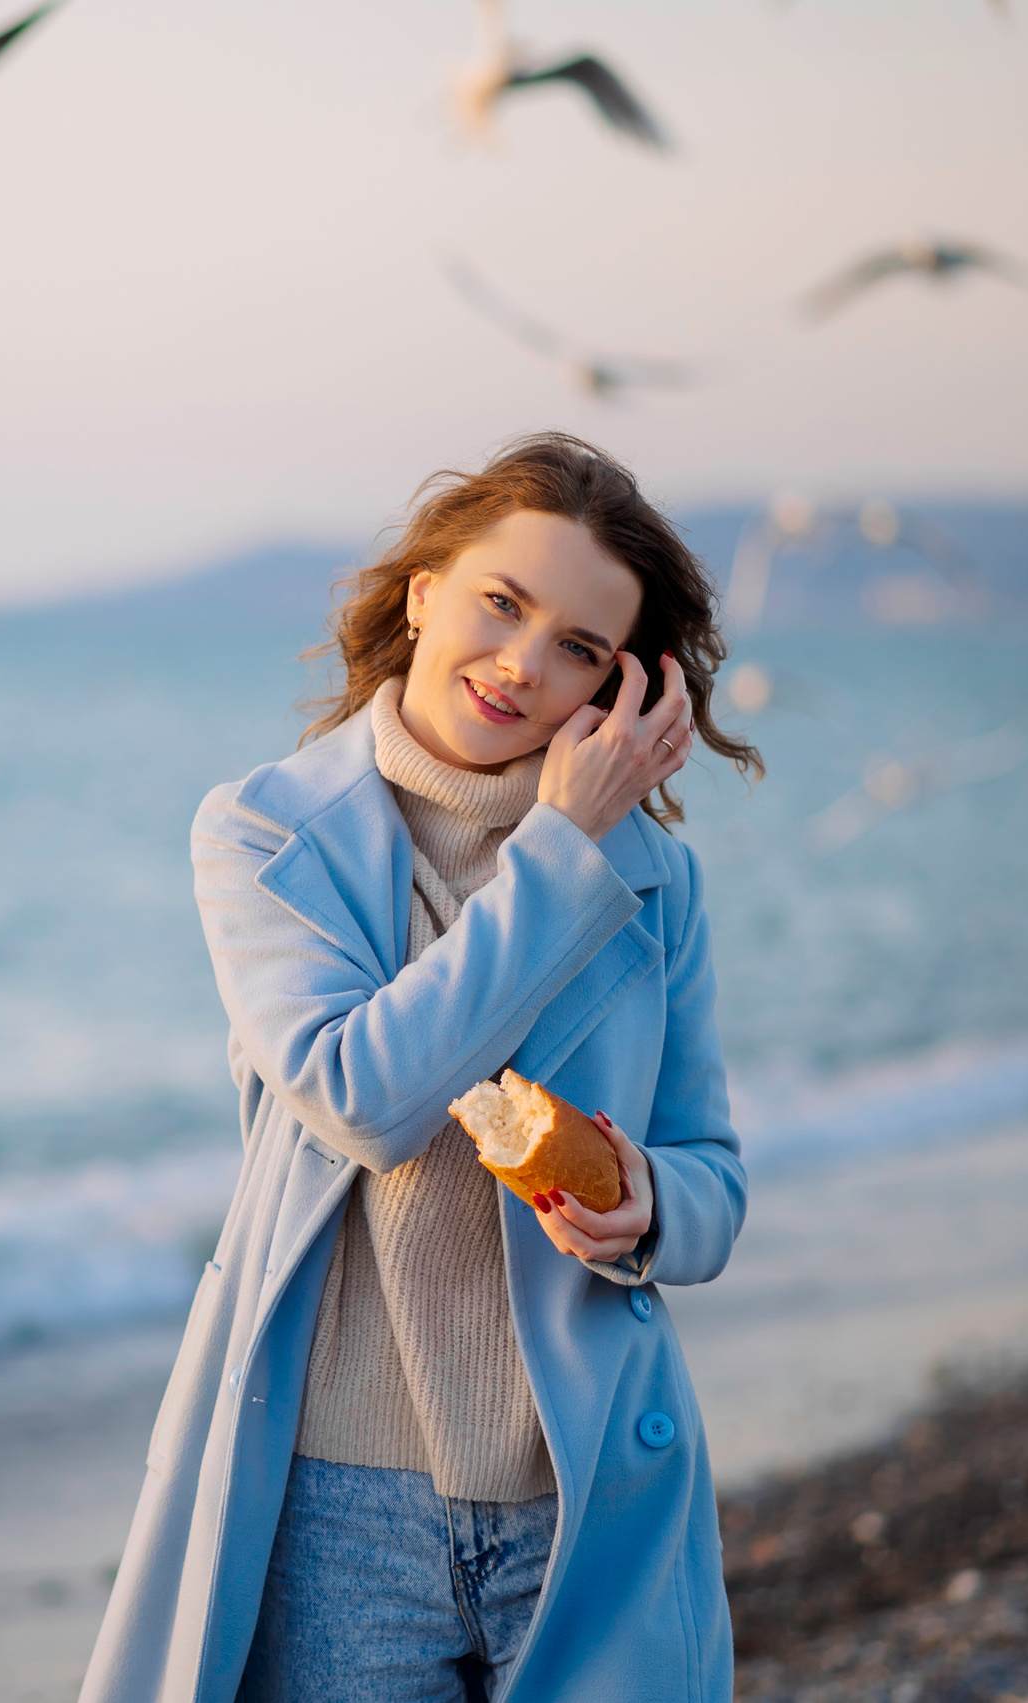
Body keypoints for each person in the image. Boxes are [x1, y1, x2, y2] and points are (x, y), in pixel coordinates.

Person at [80, 433, 761, 1703]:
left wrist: (647, 1204)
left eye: (578, 648)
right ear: (420, 595)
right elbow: (362, 1098)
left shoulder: (655, 880)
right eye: (501, 603)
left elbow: (712, 1181)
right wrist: (559, 848)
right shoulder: (269, 833)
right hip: (337, 1510)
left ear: (617, 692)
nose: (519, 663)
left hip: (580, 1489)